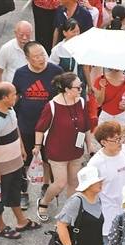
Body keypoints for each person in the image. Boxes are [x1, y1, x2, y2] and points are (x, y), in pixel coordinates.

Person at [0, 82, 42, 240]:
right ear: (4, 98)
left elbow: (16, 129)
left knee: (16, 191)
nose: (17, 96)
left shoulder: (11, 110)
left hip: (15, 162)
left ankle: (21, 221)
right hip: (1, 168)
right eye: (14, 94)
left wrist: (21, 147)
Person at [33, 72, 94, 222]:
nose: (81, 89)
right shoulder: (52, 106)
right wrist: (37, 146)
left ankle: (69, 211)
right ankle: (43, 202)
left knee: (74, 182)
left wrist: (89, 144)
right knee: (60, 183)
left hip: (76, 150)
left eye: (81, 86)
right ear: (67, 89)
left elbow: (86, 125)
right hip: (57, 151)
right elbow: (40, 128)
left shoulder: (81, 102)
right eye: (78, 87)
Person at [12, 41, 64, 210]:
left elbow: (63, 95)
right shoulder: (20, 74)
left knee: (48, 160)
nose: (41, 59)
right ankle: (23, 192)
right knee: (24, 160)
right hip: (26, 124)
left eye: (42, 54)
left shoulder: (56, 71)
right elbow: (15, 97)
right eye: (36, 56)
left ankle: (46, 186)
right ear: (27, 58)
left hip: (50, 127)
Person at [49, 19, 90, 98]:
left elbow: (86, 67)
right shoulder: (58, 50)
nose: (76, 34)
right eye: (73, 31)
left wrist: (90, 85)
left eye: (78, 31)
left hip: (80, 87)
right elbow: (52, 69)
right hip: (64, 88)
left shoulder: (83, 47)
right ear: (65, 33)